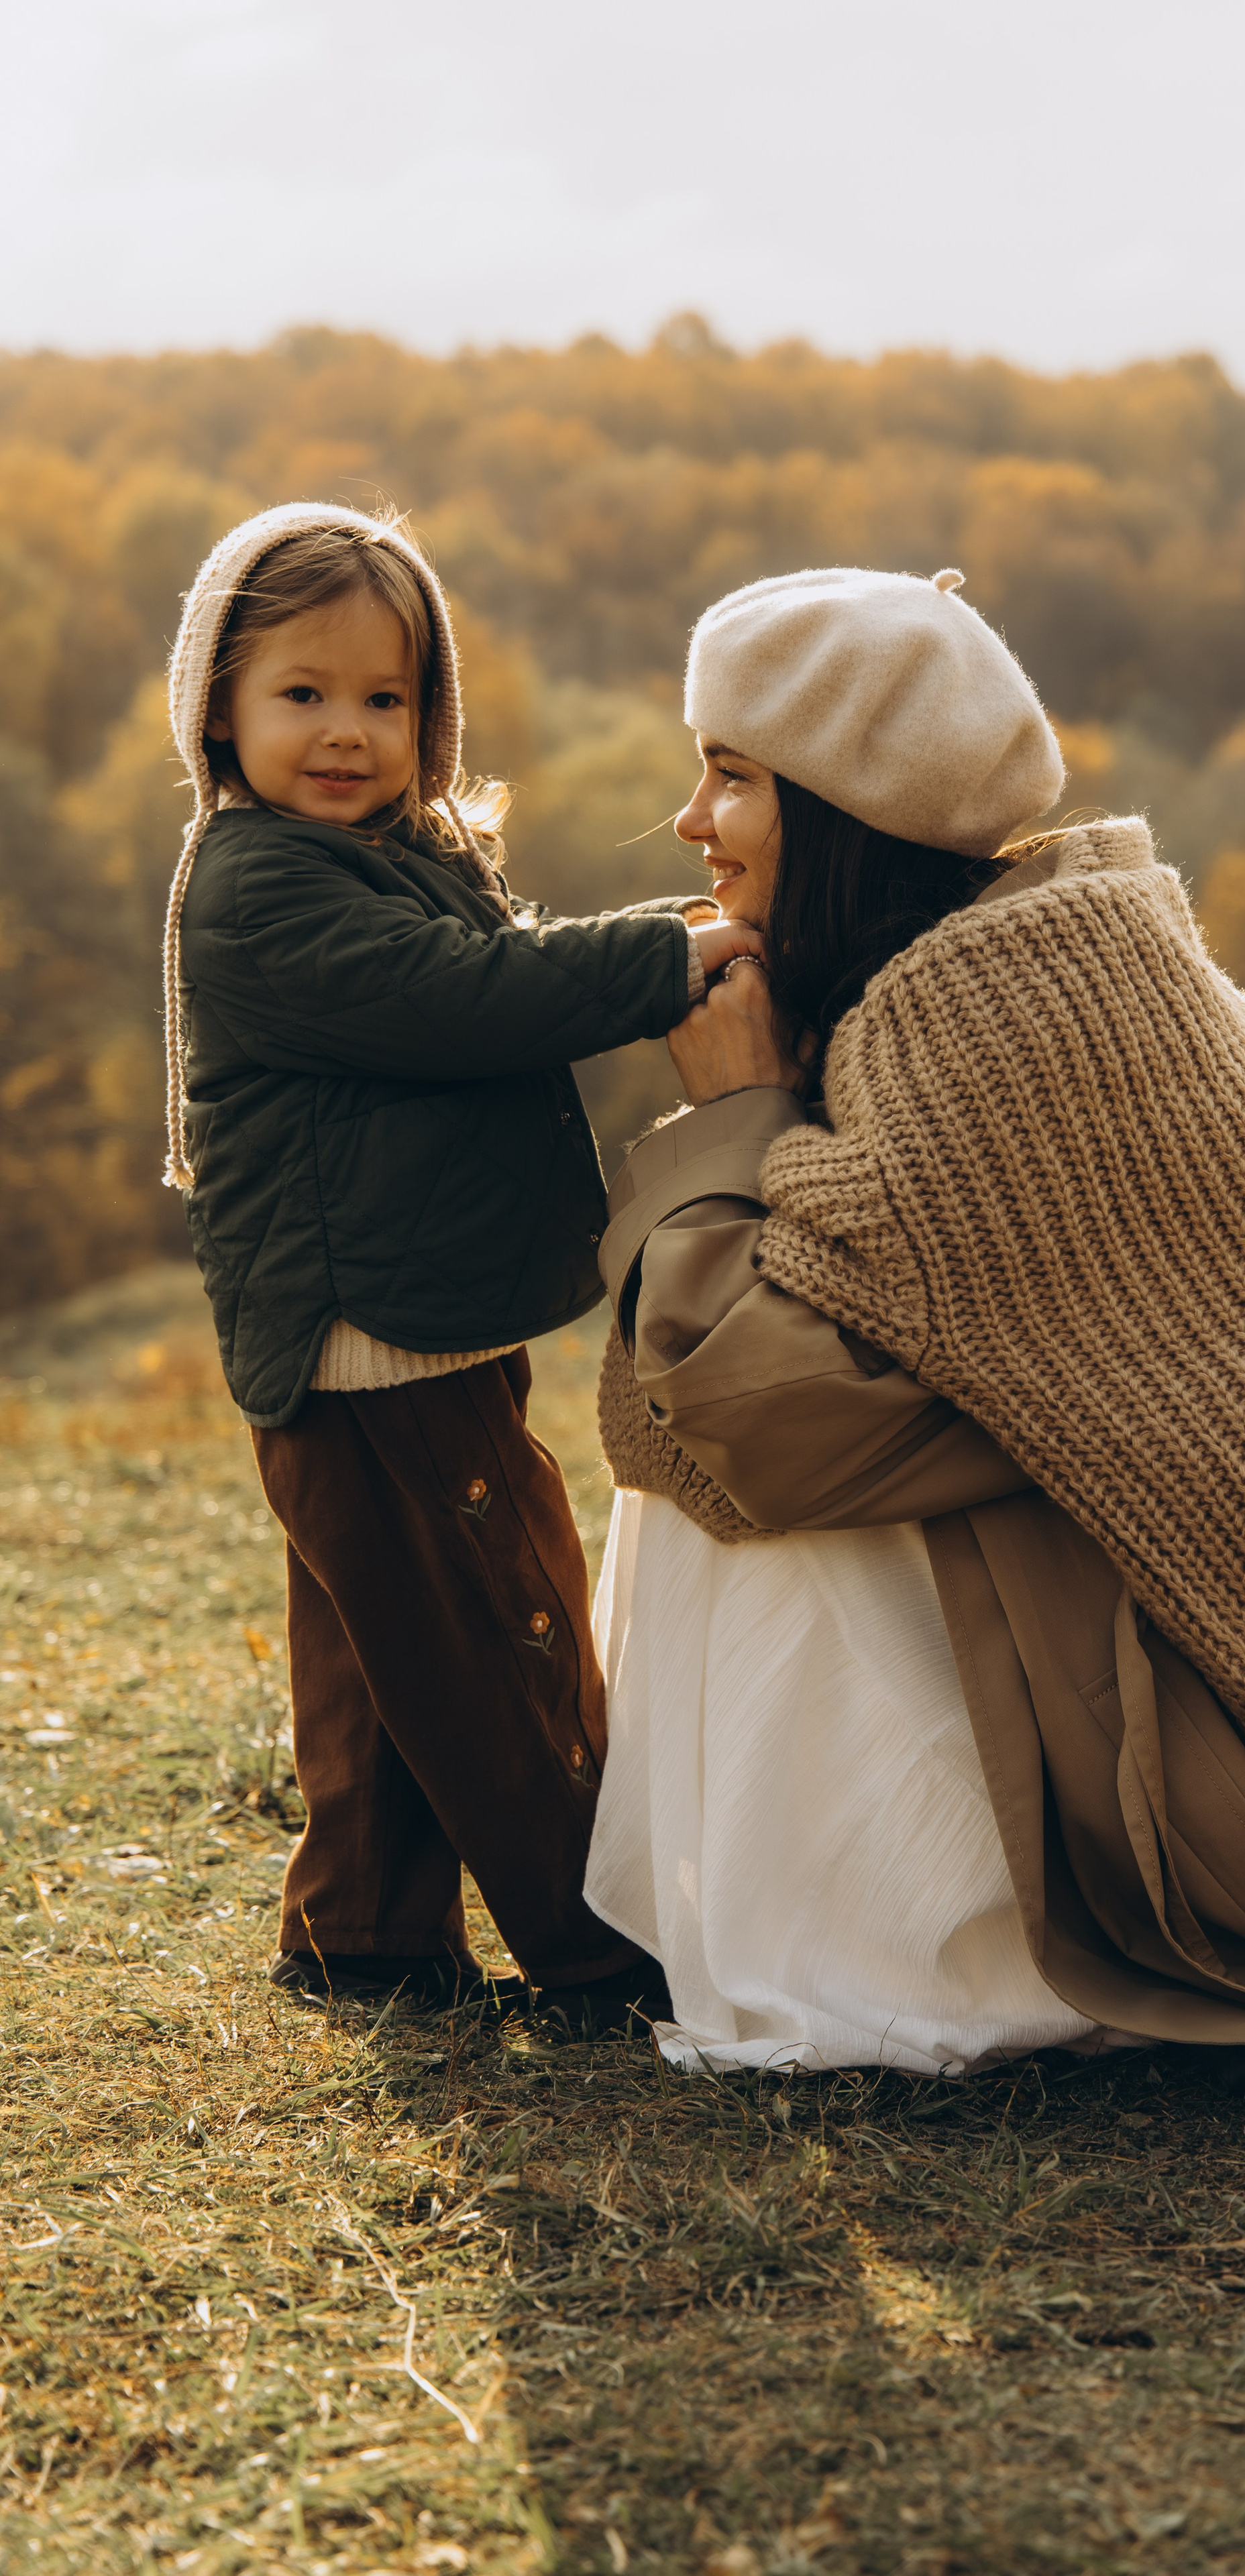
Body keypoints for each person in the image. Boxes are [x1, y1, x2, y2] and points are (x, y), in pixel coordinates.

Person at [588, 563, 1245, 2178]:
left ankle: (895, 1967)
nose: (691, 819)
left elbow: (750, 1424)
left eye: (731, 774)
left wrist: (730, 1126)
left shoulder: (979, 1040)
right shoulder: (1041, 954)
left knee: (732, 1493)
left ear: (848, 807)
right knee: (768, 1430)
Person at [160, 502, 760, 2015]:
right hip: (366, 1324)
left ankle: (363, 1935)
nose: (348, 732)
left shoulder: (383, 853)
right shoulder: (260, 885)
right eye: (303, 695)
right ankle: (596, 1951)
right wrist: (673, 954)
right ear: (218, 710)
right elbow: (464, 998)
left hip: (405, 1317)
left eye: (388, 698)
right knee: (503, 1628)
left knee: (387, 1642)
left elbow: (487, 962)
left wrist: (650, 941)